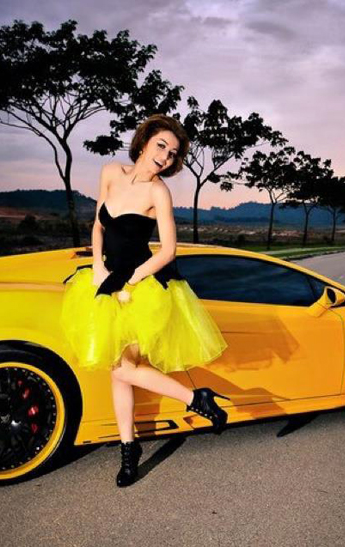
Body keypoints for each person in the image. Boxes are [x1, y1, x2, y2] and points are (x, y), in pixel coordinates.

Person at [60, 114, 230, 487]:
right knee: (118, 370)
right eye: (161, 146)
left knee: (123, 368)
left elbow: (168, 250)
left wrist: (131, 279)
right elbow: (98, 225)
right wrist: (98, 267)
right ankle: (129, 447)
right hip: (105, 278)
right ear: (144, 141)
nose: (165, 157)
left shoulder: (158, 193)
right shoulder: (110, 172)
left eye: (172, 154)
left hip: (141, 284)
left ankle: (195, 398)